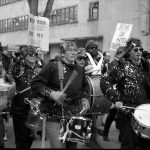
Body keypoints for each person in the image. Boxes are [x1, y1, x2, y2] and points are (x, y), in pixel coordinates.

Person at [30, 41, 90, 149]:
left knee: (72, 147)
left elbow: (85, 87)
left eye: (75, 50)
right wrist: (51, 93)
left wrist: (85, 99)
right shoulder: (52, 67)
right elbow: (35, 84)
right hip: (55, 117)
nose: (73, 53)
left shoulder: (79, 70)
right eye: (69, 50)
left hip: (74, 116)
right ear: (63, 53)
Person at [100, 37, 150, 149]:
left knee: (144, 144)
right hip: (127, 113)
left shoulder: (146, 66)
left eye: (140, 49)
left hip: (144, 113)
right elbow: (105, 80)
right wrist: (116, 98)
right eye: (135, 50)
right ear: (129, 51)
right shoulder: (122, 66)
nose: (139, 52)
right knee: (129, 144)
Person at [10, 45, 43, 149]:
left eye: (35, 54)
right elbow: (8, 80)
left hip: (34, 109)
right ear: (24, 56)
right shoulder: (17, 68)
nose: (33, 56)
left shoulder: (41, 69)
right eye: (30, 54)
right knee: (21, 138)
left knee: (30, 137)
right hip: (19, 109)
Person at [102, 46, 125, 141]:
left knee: (122, 115)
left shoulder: (122, 63)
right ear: (119, 54)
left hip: (121, 91)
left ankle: (121, 136)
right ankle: (105, 133)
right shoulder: (113, 64)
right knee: (112, 114)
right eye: (124, 55)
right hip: (115, 92)